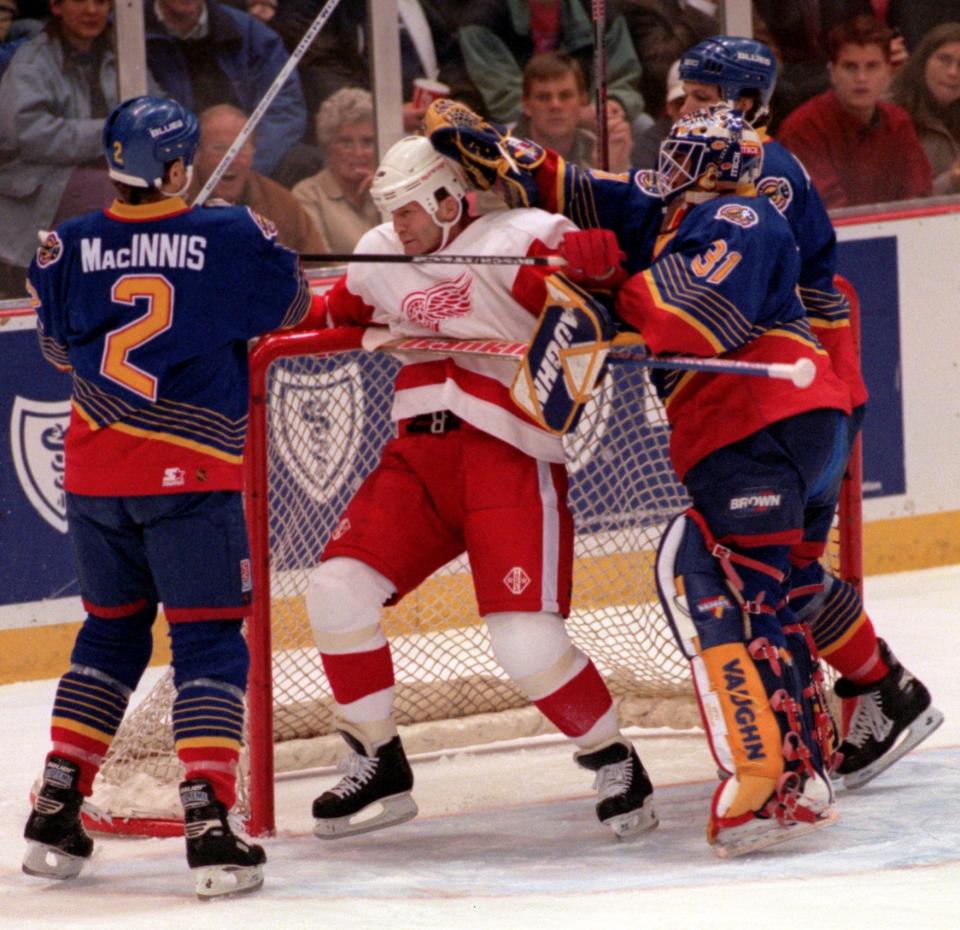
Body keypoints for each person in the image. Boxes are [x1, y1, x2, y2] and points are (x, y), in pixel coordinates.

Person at [299, 135, 657, 842]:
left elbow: (596, 306)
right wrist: (258, 299)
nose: (397, 226)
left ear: (447, 196)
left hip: (508, 454)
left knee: (525, 641)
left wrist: (603, 268)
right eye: (389, 212)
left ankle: (613, 757)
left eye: (408, 210)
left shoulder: (518, 240)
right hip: (417, 460)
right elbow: (330, 313)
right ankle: (378, 760)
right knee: (335, 591)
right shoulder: (379, 254)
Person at [21, 94, 313, 897]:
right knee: (210, 642)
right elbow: (294, 306)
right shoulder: (226, 233)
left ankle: (56, 801)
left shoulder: (67, 242)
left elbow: (54, 346)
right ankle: (211, 824)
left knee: (111, 636)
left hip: (93, 479)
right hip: (191, 482)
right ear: (179, 165)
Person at [677, 34, 943, 790]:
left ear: (745, 104)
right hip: (812, 392)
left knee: (772, 569)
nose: (689, 115)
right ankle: (882, 687)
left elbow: (734, 278)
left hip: (803, 393)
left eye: (704, 100)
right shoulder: (741, 162)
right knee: (791, 571)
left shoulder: (763, 170)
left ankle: (837, 716)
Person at [0, 0, 131, 297]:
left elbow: (152, 104)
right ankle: (109, 296)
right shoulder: (32, 61)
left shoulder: (123, 54)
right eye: (80, 0)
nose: (91, 10)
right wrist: (109, 134)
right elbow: (27, 134)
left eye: (100, 2)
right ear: (56, 7)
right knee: (113, 193)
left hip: (102, 172)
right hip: (36, 184)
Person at [777, 15, 932, 207]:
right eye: (850, 67)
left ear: (888, 71)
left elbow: (919, 197)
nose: (861, 78)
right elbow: (827, 210)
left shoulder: (898, 122)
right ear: (832, 72)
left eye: (872, 66)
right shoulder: (803, 128)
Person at [144, 0, 307, 177]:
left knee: (303, 161)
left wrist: (245, 162)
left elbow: (284, 109)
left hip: (249, 158)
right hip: (177, 165)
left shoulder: (250, 33)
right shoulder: (129, 34)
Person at [457, 0, 646, 129]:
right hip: (513, 121)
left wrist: (612, 103)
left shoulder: (598, 9)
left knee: (638, 125)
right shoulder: (482, 21)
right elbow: (505, 99)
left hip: (588, 114)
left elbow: (622, 76)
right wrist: (572, 116)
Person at [188, 103, 328, 254]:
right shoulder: (173, 203)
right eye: (219, 149)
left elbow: (318, 267)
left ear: (254, 152)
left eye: (241, 148)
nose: (231, 159)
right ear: (196, 154)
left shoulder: (283, 207)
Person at [291, 87, 379, 255]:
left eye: (367, 142)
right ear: (327, 147)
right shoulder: (308, 196)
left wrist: (387, 197)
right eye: (346, 143)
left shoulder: (388, 190)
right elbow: (322, 265)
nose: (358, 153)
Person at [515, 50, 631, 172]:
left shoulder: (601, 150)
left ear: (582, 102)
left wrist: (611, 172)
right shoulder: (503, 156)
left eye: (565, 96)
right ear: (526, 106)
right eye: (544, 97)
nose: (555, 105)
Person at [891, 23, 960, 196]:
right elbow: (894, 203)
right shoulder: (889, 115)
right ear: (923, 61)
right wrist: (952, 180)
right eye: (944, 59)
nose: (953, 72)